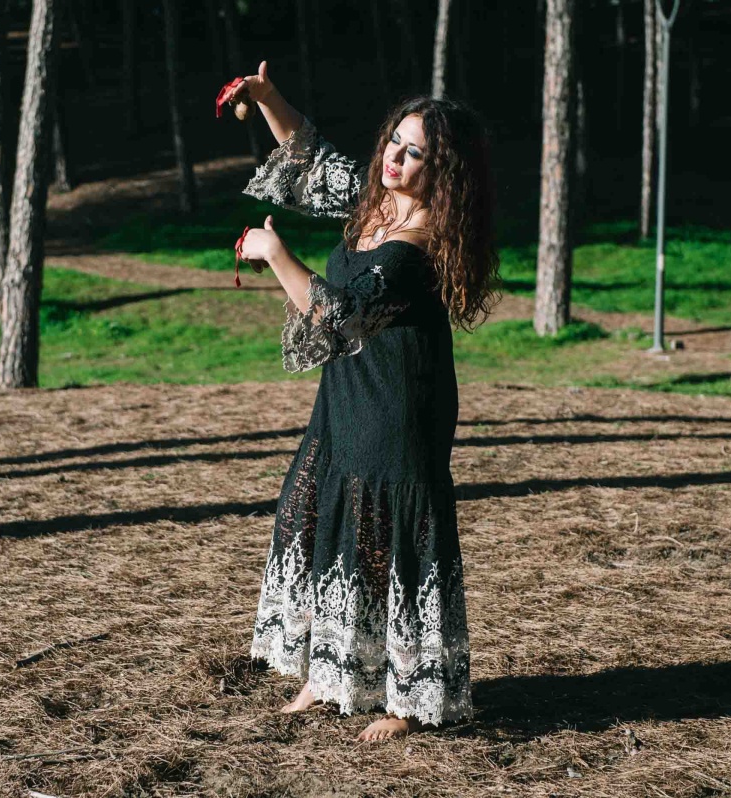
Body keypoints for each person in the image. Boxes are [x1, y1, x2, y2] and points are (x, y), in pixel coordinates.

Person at [228, 61, 500, 742]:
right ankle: (328, 674)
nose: (396, 158)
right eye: (394, 142)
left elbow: (338, 315)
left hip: (399, 406)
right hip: (348, 395)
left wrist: (275, 253)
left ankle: (406, 700)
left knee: (384, 542)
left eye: (416, 153)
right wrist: (268, 96)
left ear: (442, 171)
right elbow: (309, 159)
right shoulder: (374, 202)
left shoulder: (416, 246)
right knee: (319, 520)